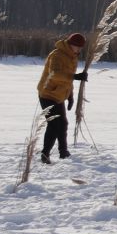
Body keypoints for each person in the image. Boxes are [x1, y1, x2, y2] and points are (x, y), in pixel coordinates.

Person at [35, 32, 87, 164]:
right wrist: (75, 77)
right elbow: (55, 74)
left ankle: (62, 152)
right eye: (78, 47)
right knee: (54, 125)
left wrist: (70, 96)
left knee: (61, 124)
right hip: (47, 93)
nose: (79, 49)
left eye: (81, 47)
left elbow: (67, 80)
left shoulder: (72, 56)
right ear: (71, 44)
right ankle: (49, 153)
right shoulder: (57, 55)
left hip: (58, 95)